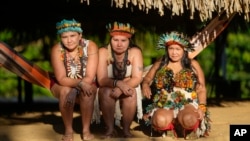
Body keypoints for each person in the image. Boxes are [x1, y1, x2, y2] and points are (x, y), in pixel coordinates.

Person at [141, 31, 211, 139]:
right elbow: (147, 78)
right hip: (164, 101)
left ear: (184, 49)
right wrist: (145, 85)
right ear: (166, 49)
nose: (174, 52)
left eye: (177, 49)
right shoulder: (161, 62)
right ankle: (171, 126)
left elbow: (201, 88)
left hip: (187, 101)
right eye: (171, 49)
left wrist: (202, 107)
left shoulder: (193, 64)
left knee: (189, 119)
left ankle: (184, 126)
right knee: (159, 120)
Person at [50, 19, 98, 141]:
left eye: (73, 36)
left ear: (80, 35)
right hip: (62, 84)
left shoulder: (90, 46)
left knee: (88, 91)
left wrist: (78, 87)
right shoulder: (57, 49)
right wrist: (78, 84)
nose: (69, 40)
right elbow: (61, 79)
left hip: (86, 81)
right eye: (65, 37)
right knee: (66, 91)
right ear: (60, 37)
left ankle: (86, 130)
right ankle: (68, 130)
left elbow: (89, 76)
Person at [97, 21, 143, 138]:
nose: (119, 44)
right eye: (115, 40)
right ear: (110, 40)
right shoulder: (103, 52)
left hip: (128, 84)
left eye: (123, 41)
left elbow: (137, 77)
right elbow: (102, 79)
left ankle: (126, 130)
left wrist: (122, 88)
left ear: (129, 41)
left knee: (130, 93)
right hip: (108, 85)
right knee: (106, 92)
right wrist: (119, 84)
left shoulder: (135, 52)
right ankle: (110, 129)